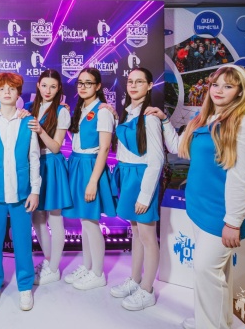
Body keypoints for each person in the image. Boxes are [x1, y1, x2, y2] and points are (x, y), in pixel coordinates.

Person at [147, 65, 245, 329]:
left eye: (228, 86)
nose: (219, 90)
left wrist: (233, 221)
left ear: (240, 92)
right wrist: (164, 121)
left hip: (223, 213)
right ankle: (216, 321)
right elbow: (180, 148)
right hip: (199, 207)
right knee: (216, 273)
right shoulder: (204, 119)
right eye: (215, 85)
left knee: (205, 270)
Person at [0, 72, 41, 311]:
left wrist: (35, 190)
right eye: (2, 89)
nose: (6, 92)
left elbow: (34, 158)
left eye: (11, 89)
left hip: (22, 192)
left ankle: (25, 287)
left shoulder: (28, 121)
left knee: (23, 241)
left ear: (18, 94)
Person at [109, 68, 163, 311]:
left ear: (149, 86)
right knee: (135, 232)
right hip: (128, 175)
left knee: (148, 236)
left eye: (139, 82)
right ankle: (135, 279)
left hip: (143, 178)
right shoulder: (128, 112)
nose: (133, 85)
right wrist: (113, 115)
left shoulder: (150, 117)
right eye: (130, 81)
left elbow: (157, 160)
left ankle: (147, 289)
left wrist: (145, 195)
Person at [62, 67, 116, 290]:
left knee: (91, 222)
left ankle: (98, 273)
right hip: (77, 163)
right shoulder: (81, 108)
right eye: (80, 83)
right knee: (84, 222)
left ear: (98, 86)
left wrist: (93, 181)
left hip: (90, 167)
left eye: (88, 83)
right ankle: (87, 266)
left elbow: (104, 148)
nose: (83, 87)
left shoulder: (102, 111)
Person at [25, 69, 72, 285]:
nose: (48, 90)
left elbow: (55, 147)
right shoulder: (29, 108)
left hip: (51, 165)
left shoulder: (62, 111)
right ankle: (48, 260)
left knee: (54, 217)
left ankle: (54, 268)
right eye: (44, 85)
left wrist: (40, 130)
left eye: (53, 87)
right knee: (37, 218)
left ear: (59, 88)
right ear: (38, 85)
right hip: (33, 164)